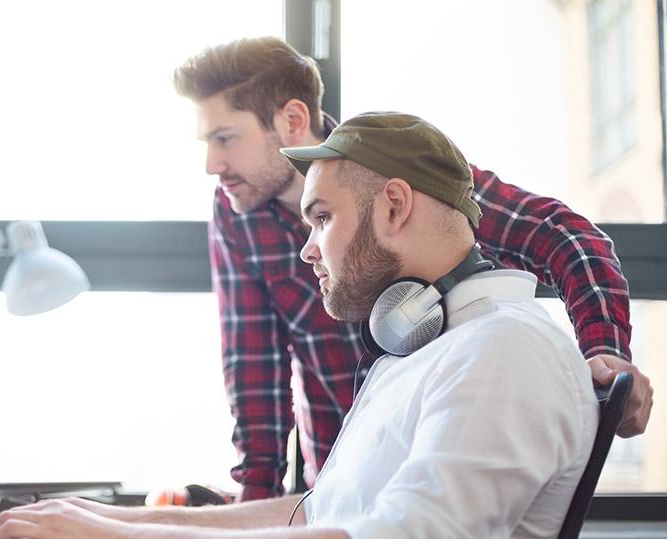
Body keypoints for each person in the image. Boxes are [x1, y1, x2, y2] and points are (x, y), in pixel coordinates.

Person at [0, 113, 600, 539]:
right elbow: (315, 514)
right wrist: (110, 521)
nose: (307, 252)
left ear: (393, 205)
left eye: (322, 218)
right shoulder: (429, 349)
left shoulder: (503, 348)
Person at [171, 36, 652, 500]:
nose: (212, 164)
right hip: (340, 483)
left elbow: (568, 240)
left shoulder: (393, 171)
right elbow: (253, 367)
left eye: (225, 138)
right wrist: (258, 505)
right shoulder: (236, 214)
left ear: (293, 118)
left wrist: (606, 359)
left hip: (445, 461)